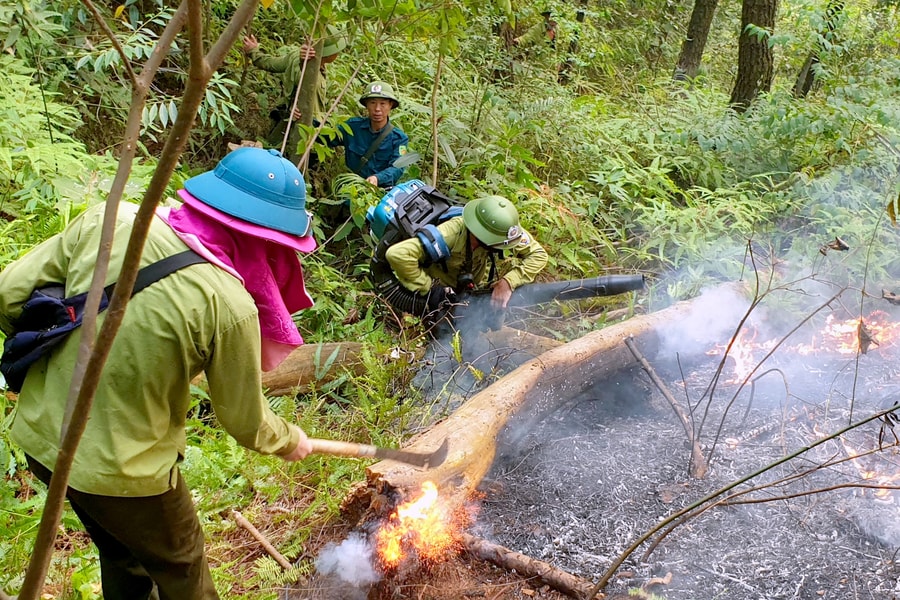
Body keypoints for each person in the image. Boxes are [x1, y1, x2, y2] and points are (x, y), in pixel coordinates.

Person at [0, 147, 318, 600]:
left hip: (41, 438)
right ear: (266, 238)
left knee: (120, 552)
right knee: (183, 569)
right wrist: (288, 439)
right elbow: (244, 420)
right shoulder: (229, 305)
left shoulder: (114, 218)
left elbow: (9, 294)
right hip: (128, 474)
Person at [378, 194, 548, 320]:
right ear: (483, 236)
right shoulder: (450, 233)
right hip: (434, 290)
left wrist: (508, 282)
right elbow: (397, 254)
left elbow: (539, 255)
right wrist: (429, 288)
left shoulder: (503, 231)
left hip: (461, 288)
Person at [242, 26, 347, 161]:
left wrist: (254, 51)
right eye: (336, 51)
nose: (337, 54)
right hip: (300, 126)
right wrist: (304, 62)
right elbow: (299, 82)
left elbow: (272, 63)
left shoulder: (306, 60)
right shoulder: (303, 65)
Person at [327, 80, 410, 188]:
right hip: (352, 189)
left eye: (383, 104)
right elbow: (326, 135)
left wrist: (377, 178)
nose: (377, 109)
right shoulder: (352, 127)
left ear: (391, 105)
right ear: (366, 105)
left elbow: (398, 167)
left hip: (381, 193)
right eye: (372, 103)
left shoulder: (399, 139)